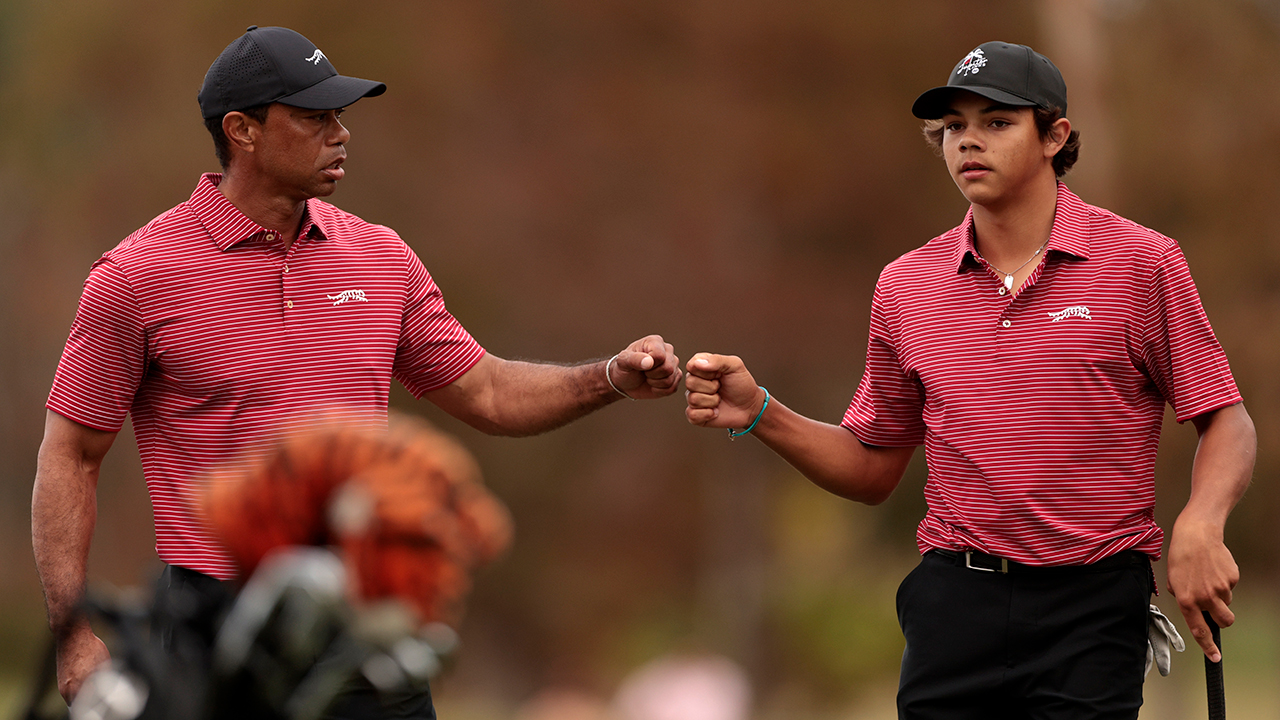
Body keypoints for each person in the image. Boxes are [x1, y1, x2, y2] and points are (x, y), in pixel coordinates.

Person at [32, 25, 681, 717]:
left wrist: (609, 377)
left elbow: (487, 392)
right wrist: (74, 639)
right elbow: (70, 456)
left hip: (367, 619)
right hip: (214, 628)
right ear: (242, 130)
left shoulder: (381, 257)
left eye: (339, 116)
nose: (340, 134)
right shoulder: (137, 274)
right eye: (314, 118)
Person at [684, 41, 1254, 718]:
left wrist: (1201, 522)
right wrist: (760, 411)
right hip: (956, 603)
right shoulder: (907, 286)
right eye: (954, 126)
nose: (968, 142)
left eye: (997, 121)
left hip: (1092, 607)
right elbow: (873, 468)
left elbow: (1226, 417)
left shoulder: (1141, 264)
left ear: (1055, 136)